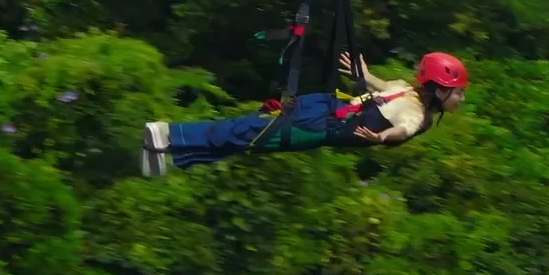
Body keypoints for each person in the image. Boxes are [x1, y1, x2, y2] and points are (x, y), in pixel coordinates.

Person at [140, 51, 468, 176]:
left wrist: (382, 131)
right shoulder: (419, 116)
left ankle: (170, 150)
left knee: (250, 136)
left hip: (322, 104)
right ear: (439, 89)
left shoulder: (408, 92)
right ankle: (169, 134)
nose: (461, 99)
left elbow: (393, 118)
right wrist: (382, 133)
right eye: (458, 92)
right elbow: (403, 129)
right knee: (250, 134)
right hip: (320, 124)